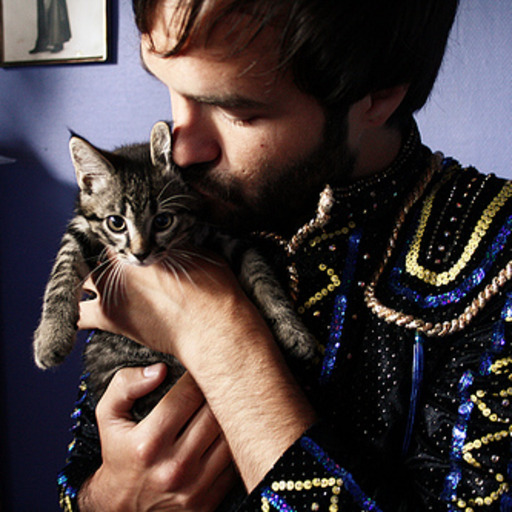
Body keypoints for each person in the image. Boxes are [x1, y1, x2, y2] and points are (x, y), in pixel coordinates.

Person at [56, 0, 512, 510]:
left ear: (378, 95)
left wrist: (221, 340)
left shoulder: (499, 253)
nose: (181, 151)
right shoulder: (176, 214)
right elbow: (84, 471)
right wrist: (110, 496)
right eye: (168, 88)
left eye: (237, 112)